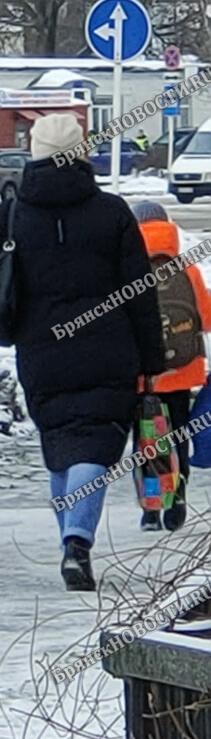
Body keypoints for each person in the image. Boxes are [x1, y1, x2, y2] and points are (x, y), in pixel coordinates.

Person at [0, 113, 165, 591]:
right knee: (96, 443)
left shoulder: (14, 212)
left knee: (60, 447)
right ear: (81, 153)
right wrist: (153, 361)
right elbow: (141, 293)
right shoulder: (113, 212)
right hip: (109, 350)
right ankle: (77, 542)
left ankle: (70, 543)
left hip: (41, 353)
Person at [131, 200, 211, 532]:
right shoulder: (187, 268)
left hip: (143, 378)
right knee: (179, 435)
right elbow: (205, 320)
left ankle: (151, 507)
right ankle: (177, 497)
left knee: (147, 440)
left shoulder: (127, 269)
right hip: (183, 370)